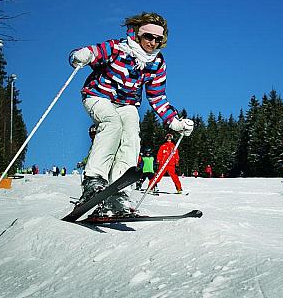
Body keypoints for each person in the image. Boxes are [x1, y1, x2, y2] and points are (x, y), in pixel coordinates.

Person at [70, 12, 194, 216]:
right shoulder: (118, 48)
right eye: (148, 37)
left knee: (131, 131)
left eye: (158, 39)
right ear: (138, 34)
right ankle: (94, 180)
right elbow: (93, 53)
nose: (152, 43)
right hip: (98, 95)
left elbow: (157, 96)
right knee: (112, 124)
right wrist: (81, 55)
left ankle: (119, 190)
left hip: (126, 103)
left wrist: (175, 122)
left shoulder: (157, 63)